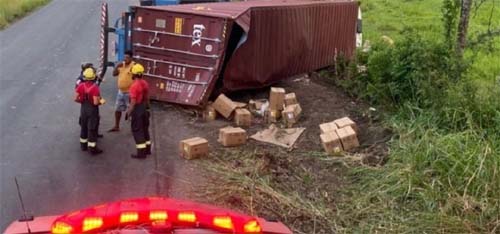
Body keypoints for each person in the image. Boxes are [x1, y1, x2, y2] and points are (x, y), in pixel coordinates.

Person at [74, 68, 104, 155]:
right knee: (92, 128)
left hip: (83, 109)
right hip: (92, 110)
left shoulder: (81, 86)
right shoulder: (95, 88)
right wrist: (101, 101)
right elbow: (95, 102)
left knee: (83, 126)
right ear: (93, 77)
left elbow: (76, 98)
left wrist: (82, 101)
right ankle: (92, 148)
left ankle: (83, 145)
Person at [126, 63, 151, 158]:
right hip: (144, 108)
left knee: (137, 130)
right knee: (145, 129)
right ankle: (147, 150)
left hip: (137, 110)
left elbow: (133, 102)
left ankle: (141, 153)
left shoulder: (134, 86)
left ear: (134, 74)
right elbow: (147, 98)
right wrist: (148, 108)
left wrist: (128, 113)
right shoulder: (145, 83)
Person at [109, 51, 136, 132]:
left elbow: (136, 77)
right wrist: (116, 66)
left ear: (131, 58)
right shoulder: (121, 65)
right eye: (124, 57)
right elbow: (114, 74)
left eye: (127, 57)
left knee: (131, 111)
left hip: (130, 93)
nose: (125, 59)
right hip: (121, 92)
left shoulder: (133, 66)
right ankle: (116, 126)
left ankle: (134, 128)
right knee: (117, 109)